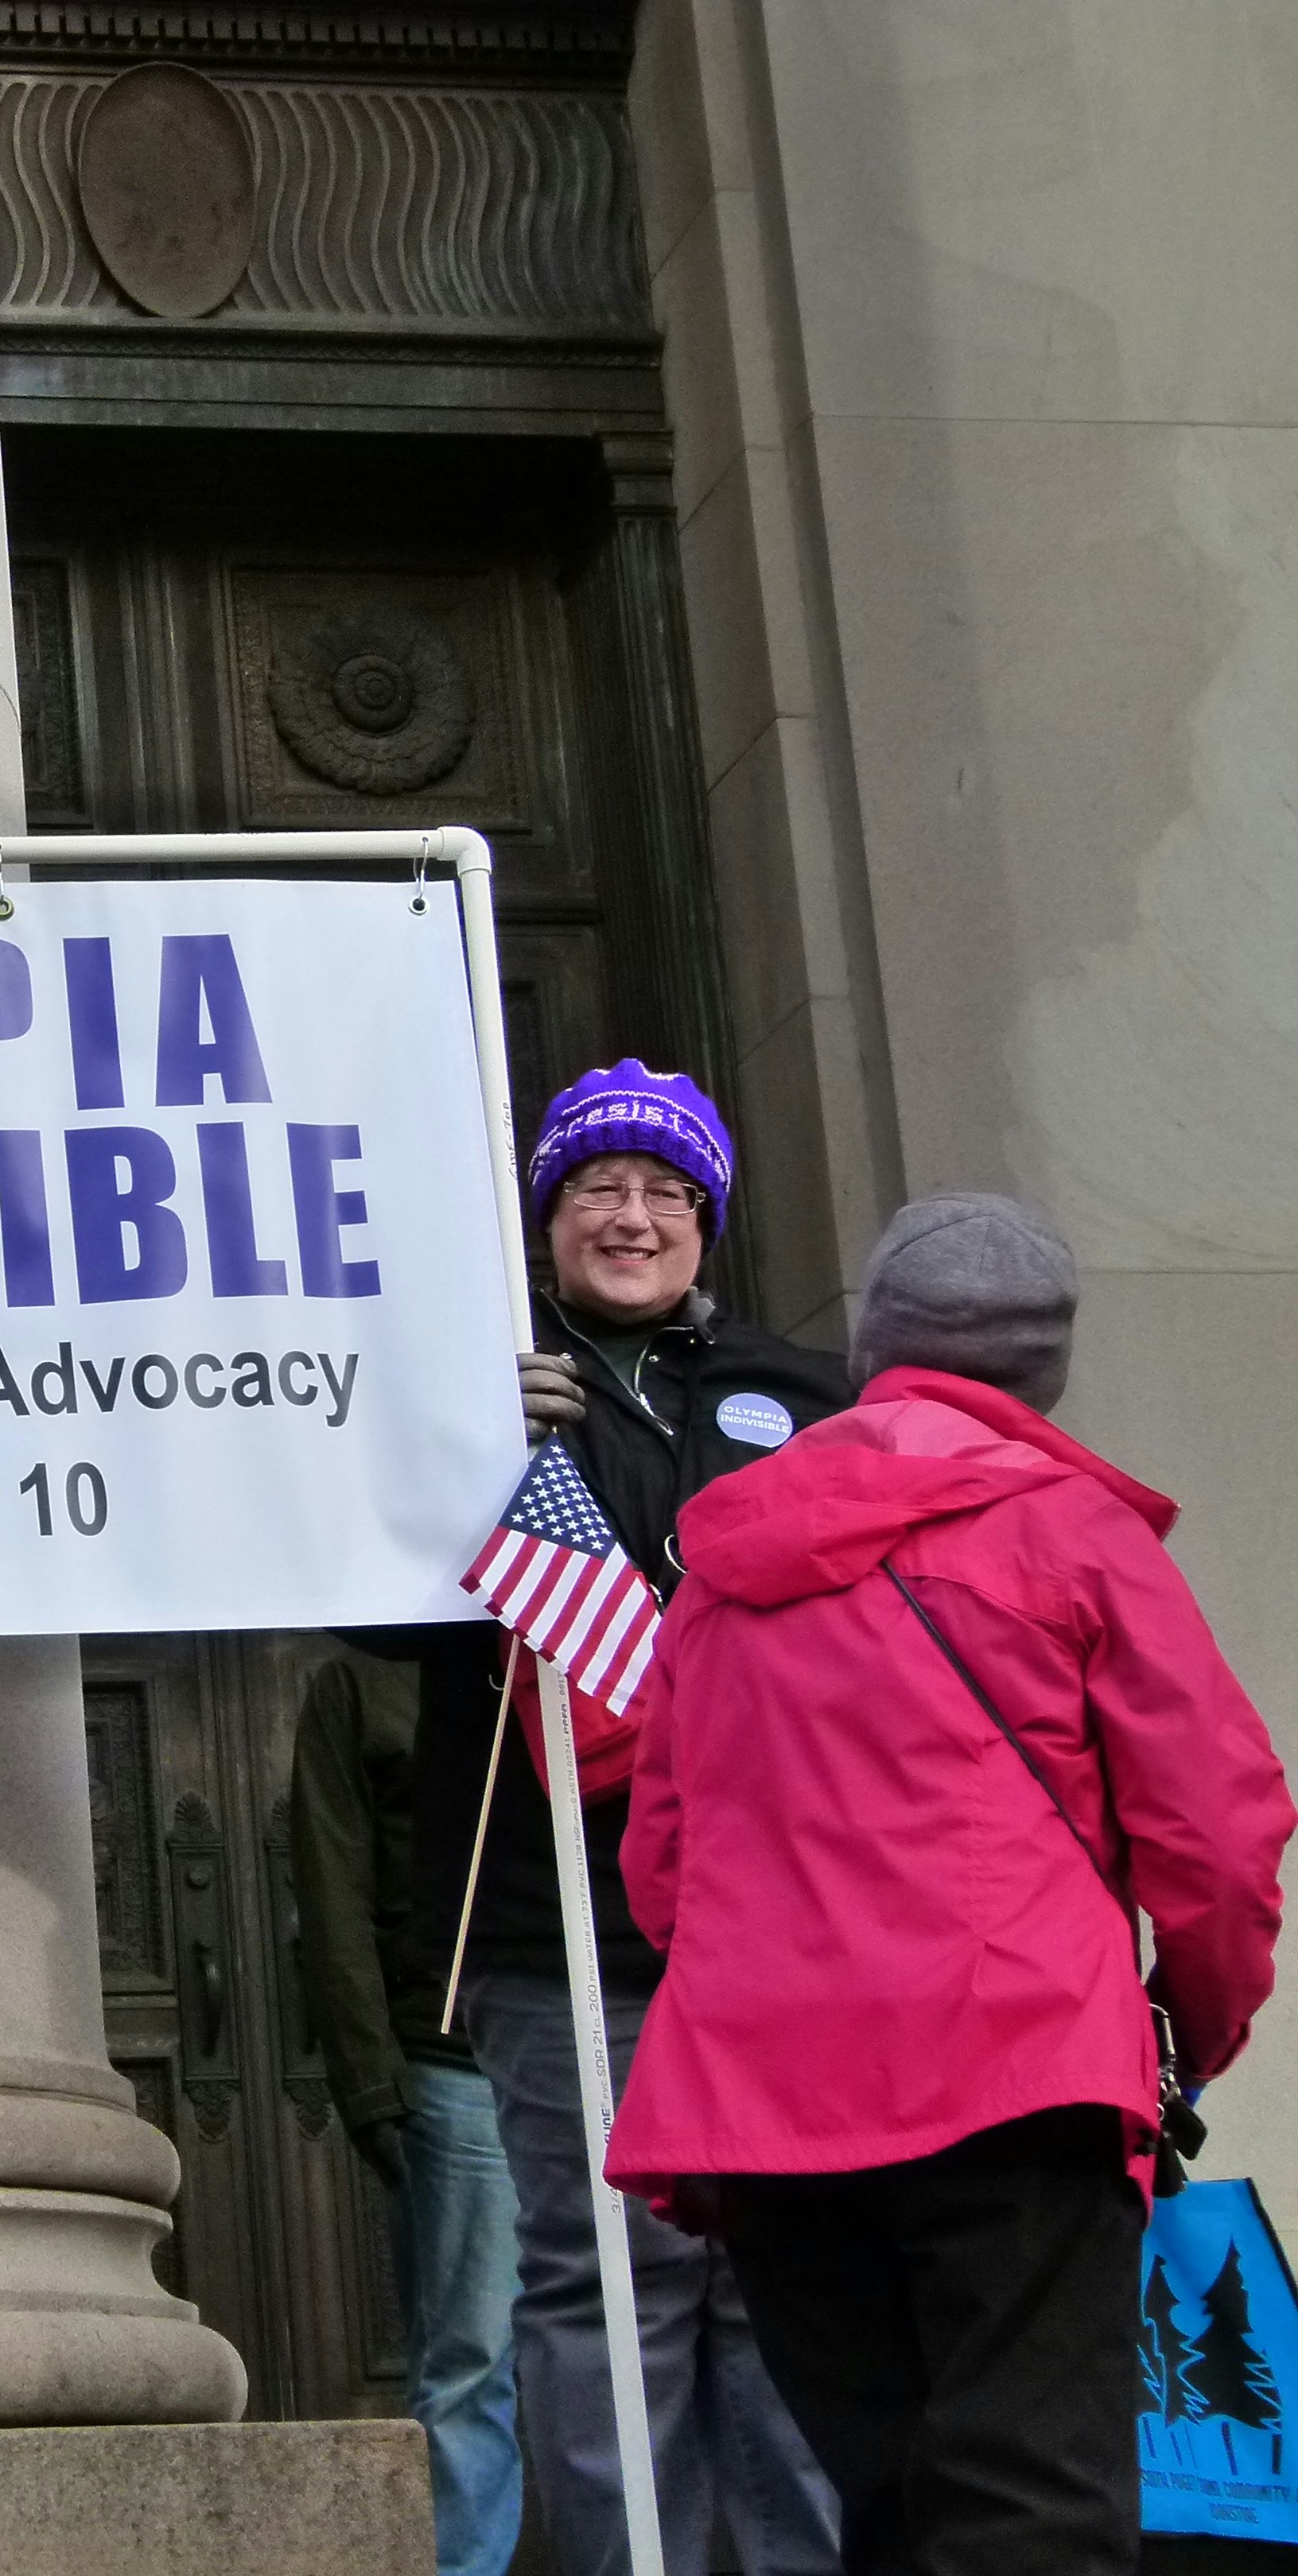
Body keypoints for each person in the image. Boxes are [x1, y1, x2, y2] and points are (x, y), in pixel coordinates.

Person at [608, 1193, 1292, 2575]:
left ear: (878, 1344)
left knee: (896, 2511)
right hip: (1014, 2071)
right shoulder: (1073, 1533)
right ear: (1042, 1368)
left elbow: (662, 1866)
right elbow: (1220, 1828)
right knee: (1033, 2511)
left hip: (768, 2107)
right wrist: (1193, 2027)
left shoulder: (723, 1560)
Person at [422, 1058, 847, 2576]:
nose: (631, 1214)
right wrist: (470, 1456)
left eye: (667, 1190)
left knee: (785, 2276)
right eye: (597, 1185)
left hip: (782, 1919)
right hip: (569, 1929)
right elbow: (369, 1608)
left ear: (709, 1225)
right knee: (609, 2279)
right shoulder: (460, 1386)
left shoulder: (809, 1397)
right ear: (545, 1219)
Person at [287, 1638, 523, 2576]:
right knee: (471, 2360)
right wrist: (369, 2076)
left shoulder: (566, 1625)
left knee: (639, 2346)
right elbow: (330, 1883)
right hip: (452, 2057)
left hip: (604, 2040)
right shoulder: (358, 1672)